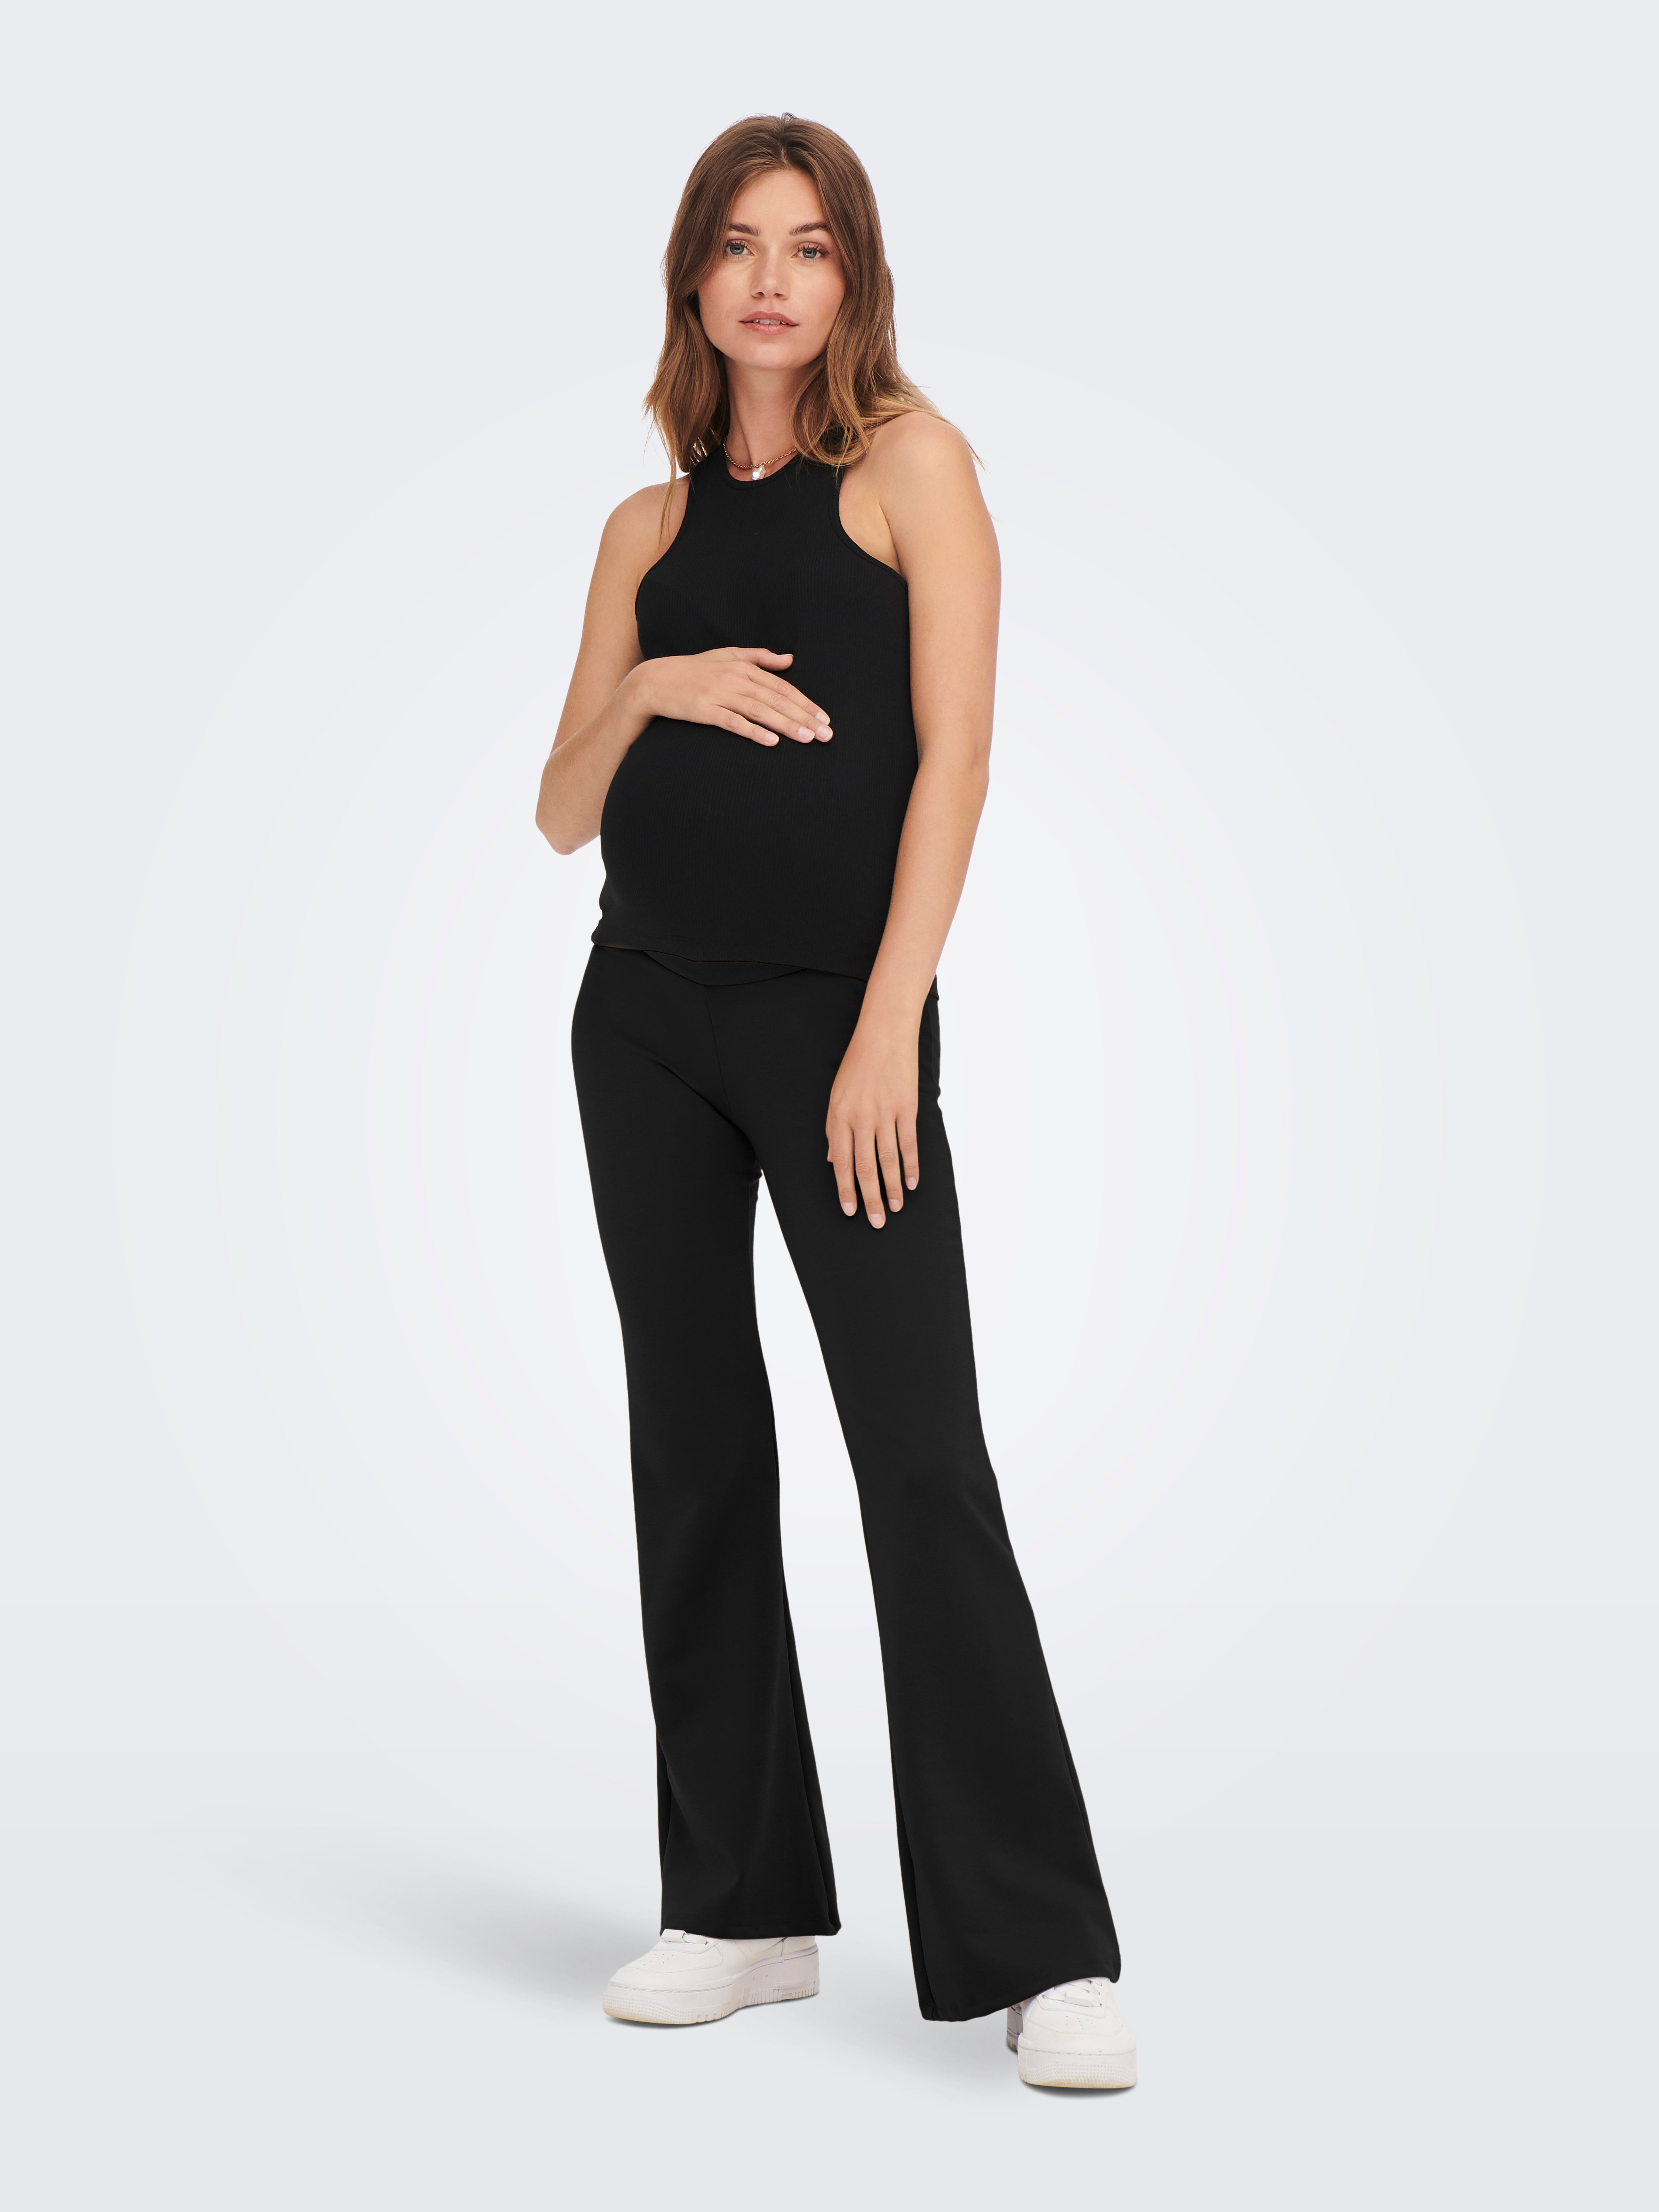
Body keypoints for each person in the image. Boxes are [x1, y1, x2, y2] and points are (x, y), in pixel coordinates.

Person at [535, 113, 1135, 2090]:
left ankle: (1043, 1950)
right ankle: (741, 1905)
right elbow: (558, 813)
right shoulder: (644, 531)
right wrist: (650, 687)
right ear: (694, 282)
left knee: (916, 1455)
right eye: (737, 244)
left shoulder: (912, 468)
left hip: (835, 1034)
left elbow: (957, 762)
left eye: (807, 245)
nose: (771, 278)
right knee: (695, 1448)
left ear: (855, 277)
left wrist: (891, 1030)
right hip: (642, 1026)